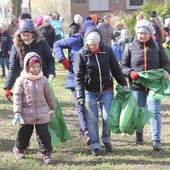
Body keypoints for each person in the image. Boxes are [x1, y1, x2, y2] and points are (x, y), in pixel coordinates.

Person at [73, 26, 127, 156]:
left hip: (107, 89)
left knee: (107, 117)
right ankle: (95, 145)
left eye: (95, 45)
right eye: (90, 45)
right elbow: (78, 76)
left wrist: (123, 83)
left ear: (99, 42)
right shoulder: (81, 54)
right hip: (90, 91)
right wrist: (80, 96)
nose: (92, 47)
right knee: (92, 119)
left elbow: (116, 69)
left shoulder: (107, 51)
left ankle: (106, 139)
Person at [120, 19, 170, 151]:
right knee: (139, 111)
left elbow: (165, 62)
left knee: (154, 111)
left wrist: (166, 71)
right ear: (136, 33)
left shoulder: (157, 45)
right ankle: (139, 135)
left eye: (145, 33)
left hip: (154, 85)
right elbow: (123, 66)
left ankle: (156, 140)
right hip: (137, 85)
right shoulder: (130, 47)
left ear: (150, 33)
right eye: (140, 33)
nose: (142, 36)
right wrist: (130, 73)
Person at [53, 20, 96, 146]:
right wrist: (62, 59)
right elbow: (57, 44)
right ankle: (87, 132)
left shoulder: (96, 41)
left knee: (90, 106)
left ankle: (84, 130)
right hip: (74, 78)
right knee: (80, 105)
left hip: (90, 79)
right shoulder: (74, 40)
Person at [12, 52, 56, 164]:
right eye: (33, 67)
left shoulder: (43, 80)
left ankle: (46, 153)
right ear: (27, 67)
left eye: (37, 66)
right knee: (24, 134)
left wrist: (53, 107)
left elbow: (49, 95)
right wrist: (17, 112)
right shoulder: (21, 80)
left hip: (41, 111)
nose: (36, 69)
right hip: (26, 112)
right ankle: (19, 148)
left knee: (44, 134)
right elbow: (17, 97)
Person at [4, 18, 55, 100]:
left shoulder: (42, 43)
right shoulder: (16, 46)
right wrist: (8, 87)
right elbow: (13, 68)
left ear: (33, 34)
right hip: (25, 82)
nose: (25, 37)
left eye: (28, 35)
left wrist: (51, 72)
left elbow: (50, 60)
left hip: (41, 79)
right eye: (23, 35)